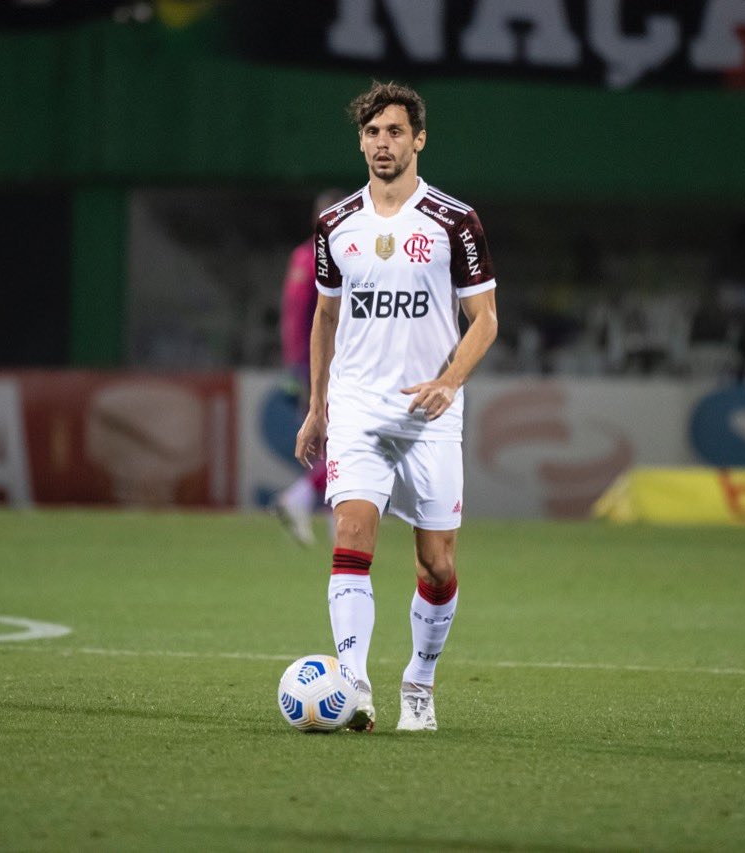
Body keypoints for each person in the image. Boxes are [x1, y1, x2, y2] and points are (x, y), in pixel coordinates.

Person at [294, 81, 499, 733]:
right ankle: (353, 683)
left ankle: (420, 678)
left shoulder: (453, 222)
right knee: (352, 530)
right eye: (373, 133)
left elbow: (486, 319)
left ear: (418, 139)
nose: (383, 143)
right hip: (358, 404)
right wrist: (318, 405)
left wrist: (449, 382)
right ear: (361, 142)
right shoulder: (336, 225)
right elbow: (324, 318)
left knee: (436, 563)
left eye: (395, 132)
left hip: (429, 413)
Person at [274, 189, 347, 547]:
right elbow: (295, 316)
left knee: (339, 445)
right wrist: (297, 368)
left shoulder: (352, 255)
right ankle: (299, 498)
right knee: (343, 445)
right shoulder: (307, 258)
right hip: (322, 368)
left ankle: (336, 520)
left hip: (347, 364)